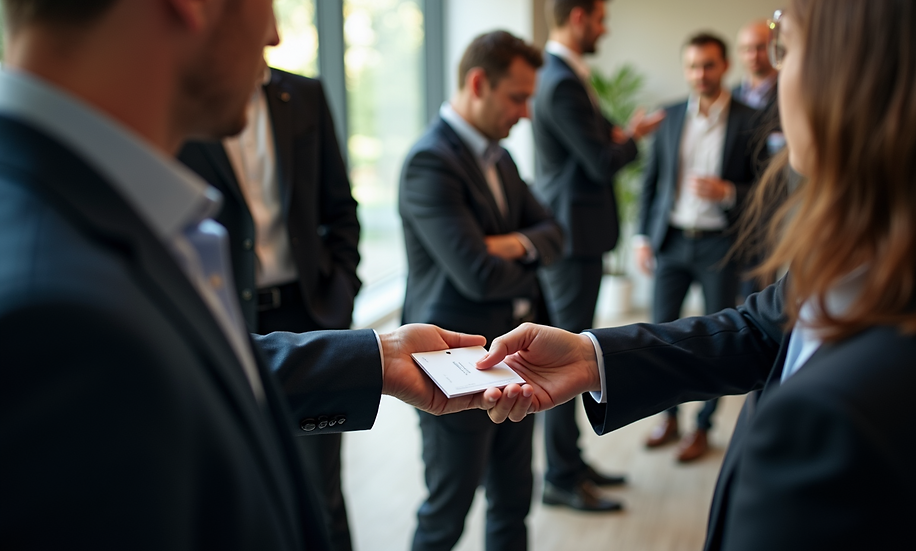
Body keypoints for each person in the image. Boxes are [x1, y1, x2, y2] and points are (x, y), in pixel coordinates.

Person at [0, 1, 514, 548]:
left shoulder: (75, 211)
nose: (272, 35)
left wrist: (376, 358)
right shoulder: (44, 316)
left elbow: (187, 372)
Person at [477, 0, 916, 549]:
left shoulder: (827, 425)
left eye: (783, 48)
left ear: (861, 76)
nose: (774, 75)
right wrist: (589, 356)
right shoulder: (859, 257)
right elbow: (759, 332)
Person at [178, 65, 361, 551]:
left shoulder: (302, 95)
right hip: (226, 315)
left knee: (320, 489)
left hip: (310, 311)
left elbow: (340, 208)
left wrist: (341, 293)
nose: (275, 35)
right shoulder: (187, 95)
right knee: (240, 483)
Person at [399, 31, 563, 551]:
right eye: (517, 97)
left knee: (513, 501)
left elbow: (556, 235)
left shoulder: (502, 159)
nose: (526, 112)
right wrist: (526, 250)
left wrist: (507, 243)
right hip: (453, 365)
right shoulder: (430, 163)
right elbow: (476, 273)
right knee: (448, 510)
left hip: (515, 359)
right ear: (478, 84)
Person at [530, 0, 663, 512]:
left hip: (577, 235)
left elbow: (600, 141)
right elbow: (602, 158)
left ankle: (571, 461)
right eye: (602, 19)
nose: (605, 29)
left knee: (572, 346)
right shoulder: (561, 79)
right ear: (580, 16)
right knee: (562, 356)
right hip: (571, 238)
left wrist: (618, 137)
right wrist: (630, 142)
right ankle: (561, 477)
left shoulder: (568, 74)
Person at [634, 33, 764, 462]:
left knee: (718, 335)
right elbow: (651, 182)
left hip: (720, 245)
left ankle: (703, 426)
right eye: (692, 66)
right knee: (658, 333)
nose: (699, 74)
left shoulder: (750, 118)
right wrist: (641, 238)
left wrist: (728, 191)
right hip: (671, 241)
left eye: (708, 65)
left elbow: (767, 189)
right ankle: (667, 417)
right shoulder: (669, 115)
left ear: (724, 66)